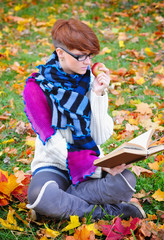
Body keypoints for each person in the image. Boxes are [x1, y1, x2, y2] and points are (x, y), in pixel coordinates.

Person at [23, 18, 146, 220]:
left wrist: (98, 95)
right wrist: (95, 164)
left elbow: (101, 136)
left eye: (90, 56)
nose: (88, 63)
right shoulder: (36, 87)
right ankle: (111, 212)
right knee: (39, 194)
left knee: (126, 179)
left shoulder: (90, 81)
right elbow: (52, 142)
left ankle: (55, 208)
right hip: (54, 167)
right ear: (60, 53)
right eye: (81, 57)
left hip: (91, 164)